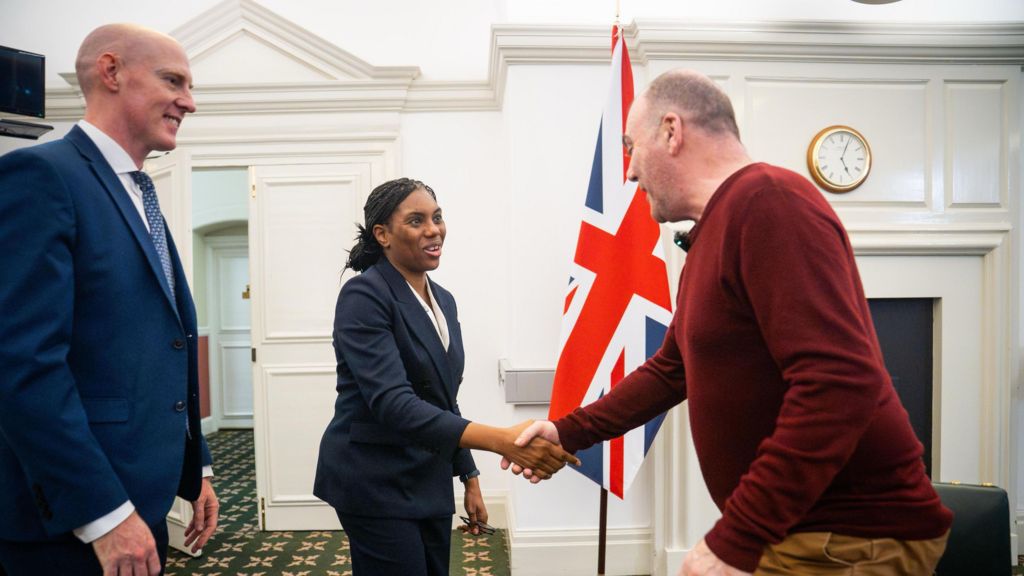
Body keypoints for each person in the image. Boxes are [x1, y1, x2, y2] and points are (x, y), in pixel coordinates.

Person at [506, 69, 953, 575]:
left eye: (632, 147)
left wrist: (735, 539)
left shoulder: (768, 202)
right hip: (802, 535)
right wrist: (567, 432)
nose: (629, 172)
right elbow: (670, 370)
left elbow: (839, 382)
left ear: (672, 132)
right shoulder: (714, 229)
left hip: (847, 540)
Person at [0, 24, 218, 575]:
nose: (188, 102)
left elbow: (160, 344)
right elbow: (22, 364)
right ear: (112, 71)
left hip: (142, 503)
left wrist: (198, 470)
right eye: (173, 81)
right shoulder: (40, 176)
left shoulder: (139, 191)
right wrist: (103, 514)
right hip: (74, 525)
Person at [314, 177, 579, 576]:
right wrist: (501, 441)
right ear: (382, 235)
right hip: (375, 480)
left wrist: (469, 475)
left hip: (428, 475)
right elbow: (394, 404)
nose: (434, 229)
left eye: (437, 217)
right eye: (416, 220)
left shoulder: (444, 300)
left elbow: (442, 398)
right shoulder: (363, 296)